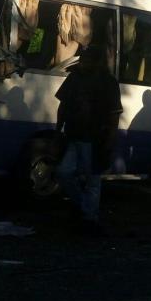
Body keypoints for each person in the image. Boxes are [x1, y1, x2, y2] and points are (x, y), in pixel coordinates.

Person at [55, 45, 122, 232]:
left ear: (97, 62)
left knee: (93, 178)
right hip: (73, 135)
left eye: (86, 60)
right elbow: (63, 105)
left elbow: (114, 114)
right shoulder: (74, 78)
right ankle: (83, 206)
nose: (83, 64)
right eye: (82, 60)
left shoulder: (108, 83)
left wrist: (109, 139)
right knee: (64, 172)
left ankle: (89, 217)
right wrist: (58, 130)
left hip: (95, 138)